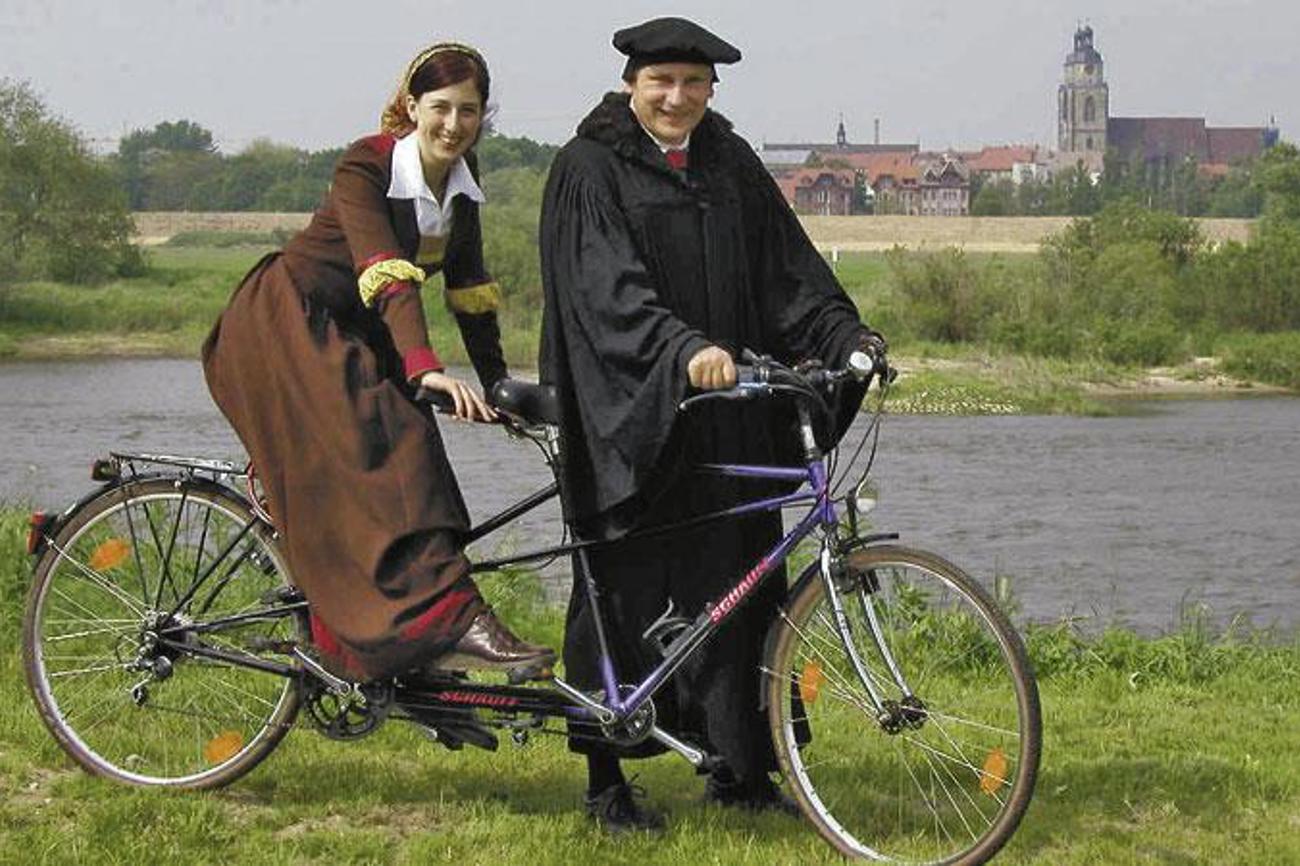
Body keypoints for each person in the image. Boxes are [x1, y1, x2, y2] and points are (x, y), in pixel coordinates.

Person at [539, 17, 885, 832]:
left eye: (693, 84)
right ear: (632, 84)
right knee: (622, 593)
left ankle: (739, 764)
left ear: (711, 91)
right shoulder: (589, 169)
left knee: (740, 587)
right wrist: (683, 349)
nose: (676, 97)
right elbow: (605, 294)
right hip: (633, 421)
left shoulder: (729, 162)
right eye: (661, 82)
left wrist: (847, 338)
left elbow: (791, 272)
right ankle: (605, 784)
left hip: (726, 425)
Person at [203, 42, 554, 684]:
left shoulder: (461, 184)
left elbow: (469, 291)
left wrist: (498, 381)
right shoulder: (366, 166)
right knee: (398, 442)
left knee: (420, 464)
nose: (454, 124)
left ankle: (402, 645)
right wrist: (423, 369)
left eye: (469, 111)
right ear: (411, 106)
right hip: (287, 320)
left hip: (357, 334)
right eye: (441, 108)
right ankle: (451, 624)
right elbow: (386, 275)